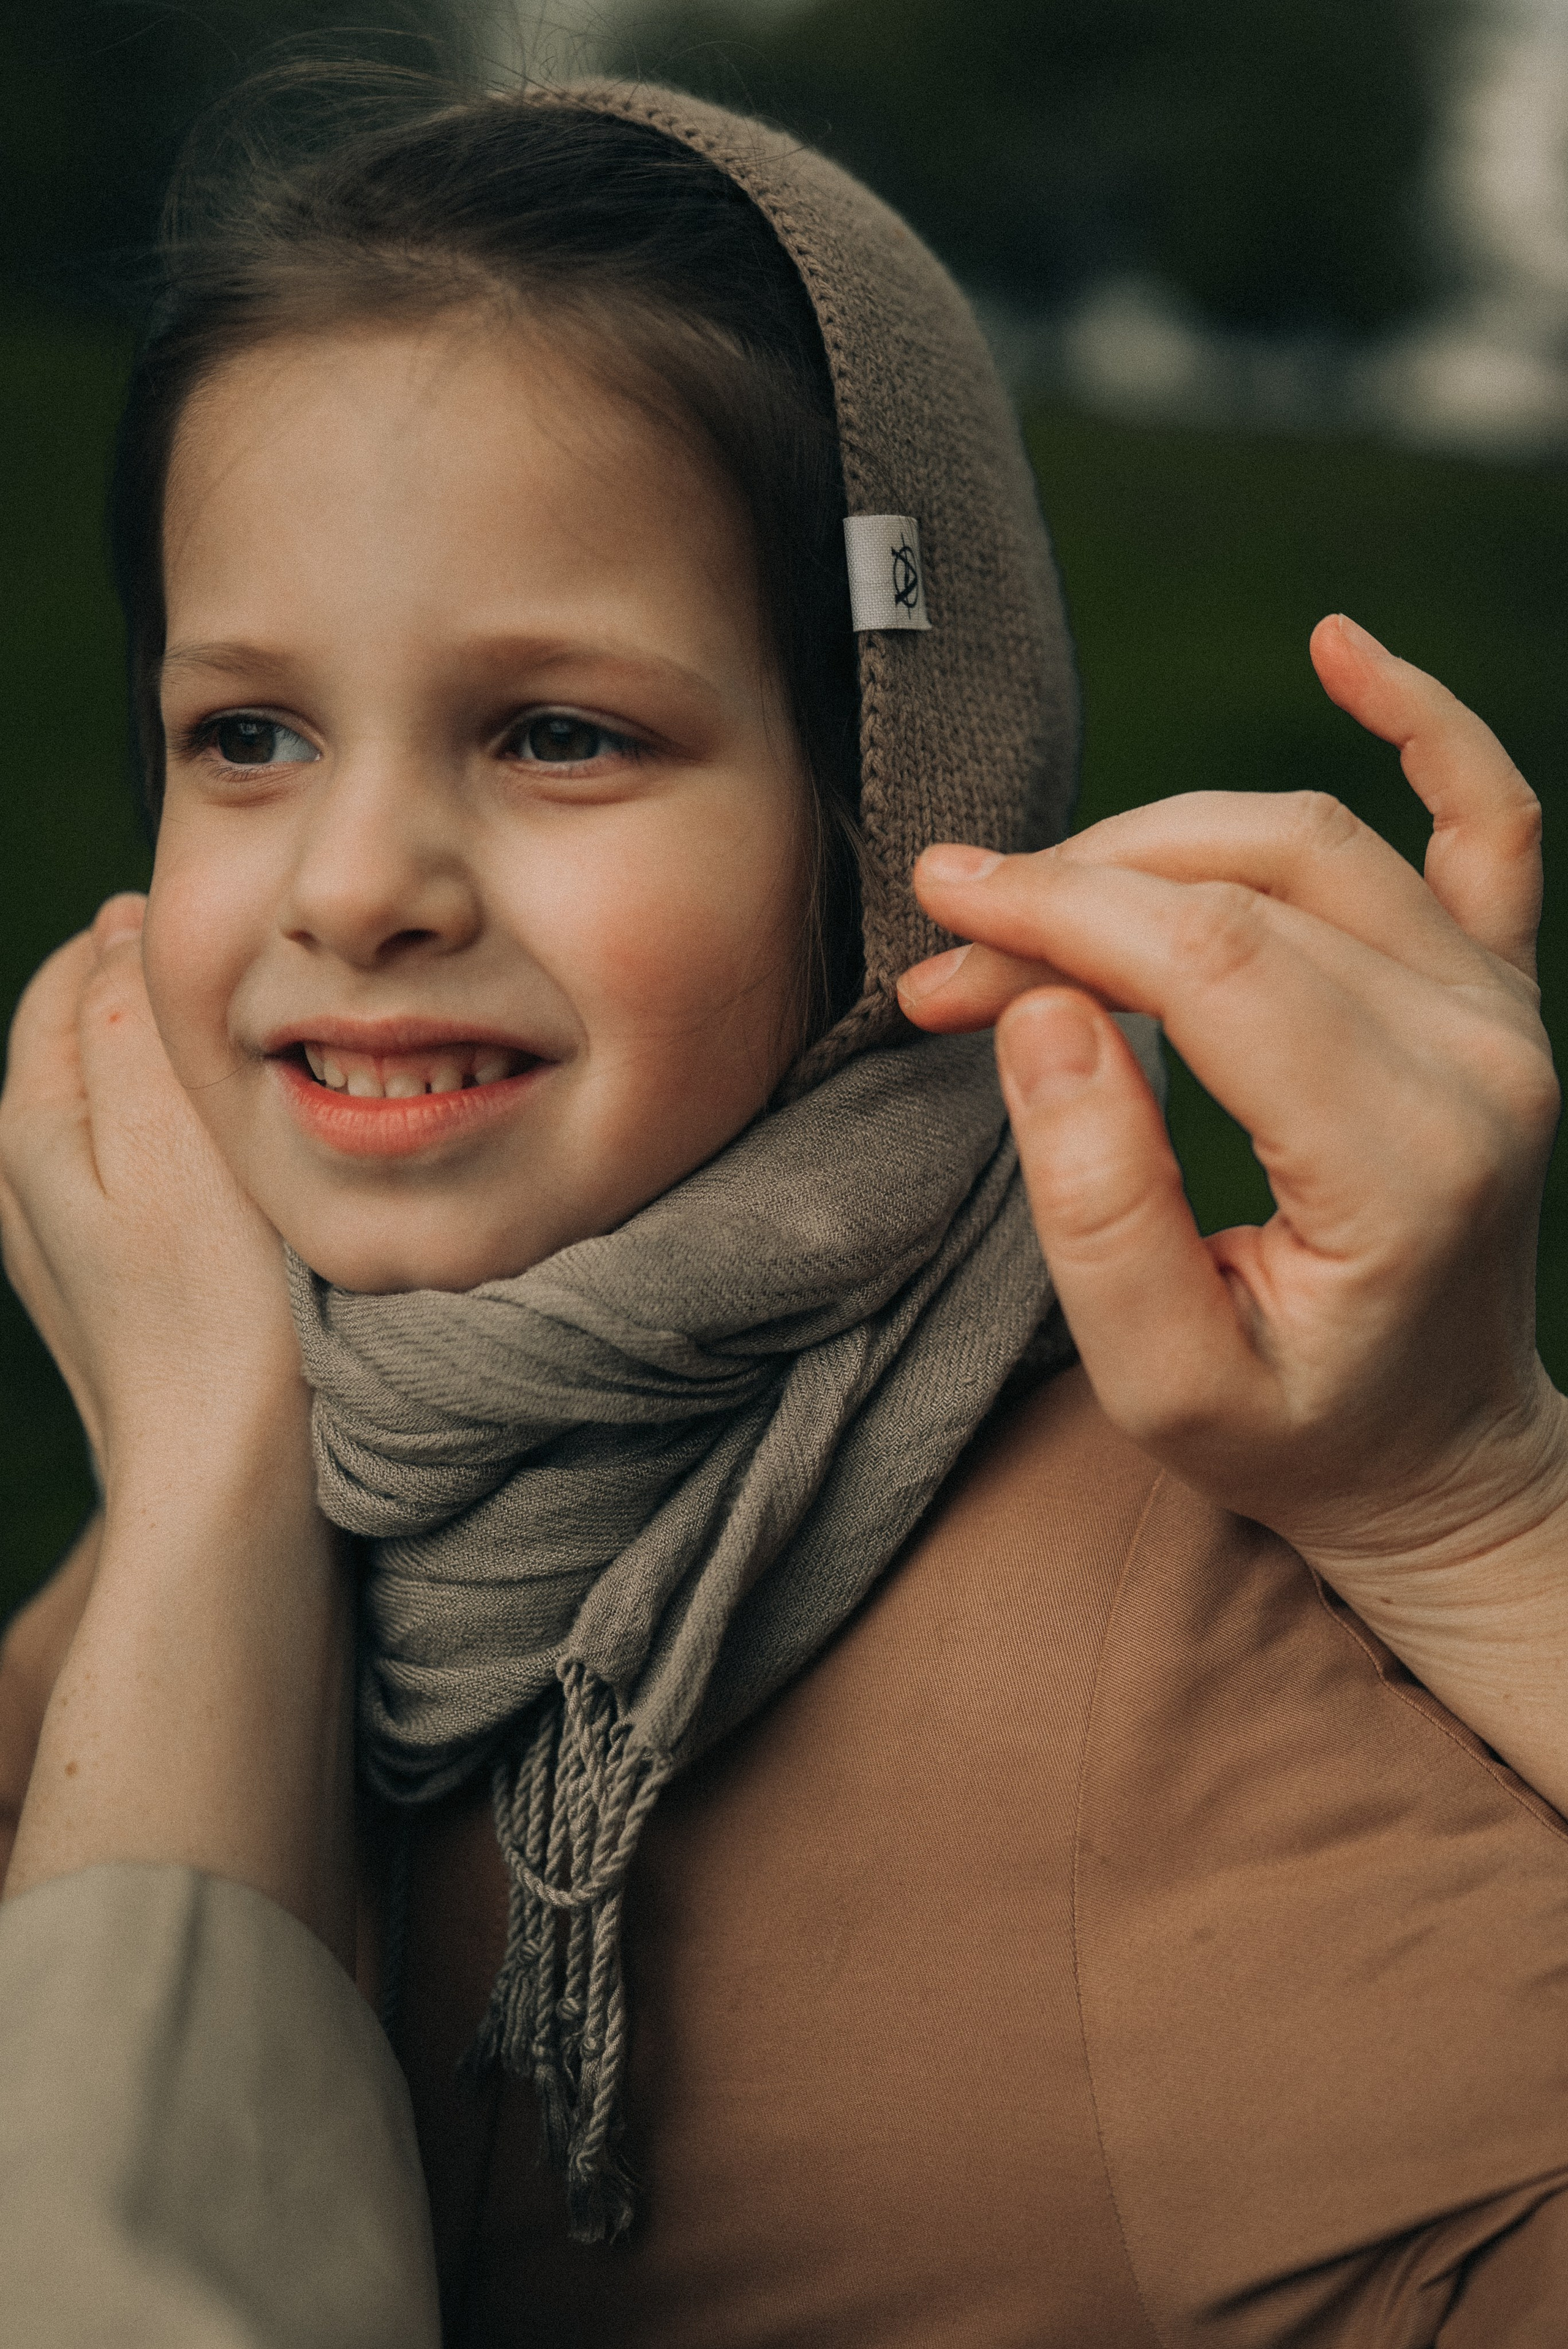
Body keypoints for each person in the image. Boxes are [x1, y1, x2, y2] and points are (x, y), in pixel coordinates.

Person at [2, 67, 1568, 2348]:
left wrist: (1485, 1512)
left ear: (894, 817)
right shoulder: (191, 1508)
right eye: (248, 735)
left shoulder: (1157, 1702)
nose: (351, 887)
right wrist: (200, 1498)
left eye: (559, 732)